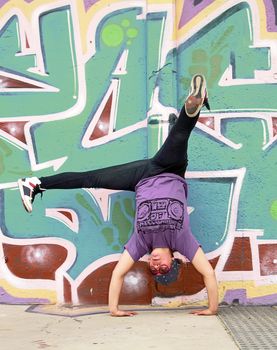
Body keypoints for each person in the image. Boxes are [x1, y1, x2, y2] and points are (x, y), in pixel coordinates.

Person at [18, 74, 218, 317]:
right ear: (175, 259)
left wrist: (114, 310)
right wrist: (212, 308)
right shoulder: (182, 240)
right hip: (170, 170)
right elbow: (208, 273)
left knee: (91, 179)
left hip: (141, 179)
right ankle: (194, 102)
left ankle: (35, 183)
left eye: (153, 269)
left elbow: (118, 273)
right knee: (179, 136)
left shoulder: (140, 242)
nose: (156, 266)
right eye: (163, 268)